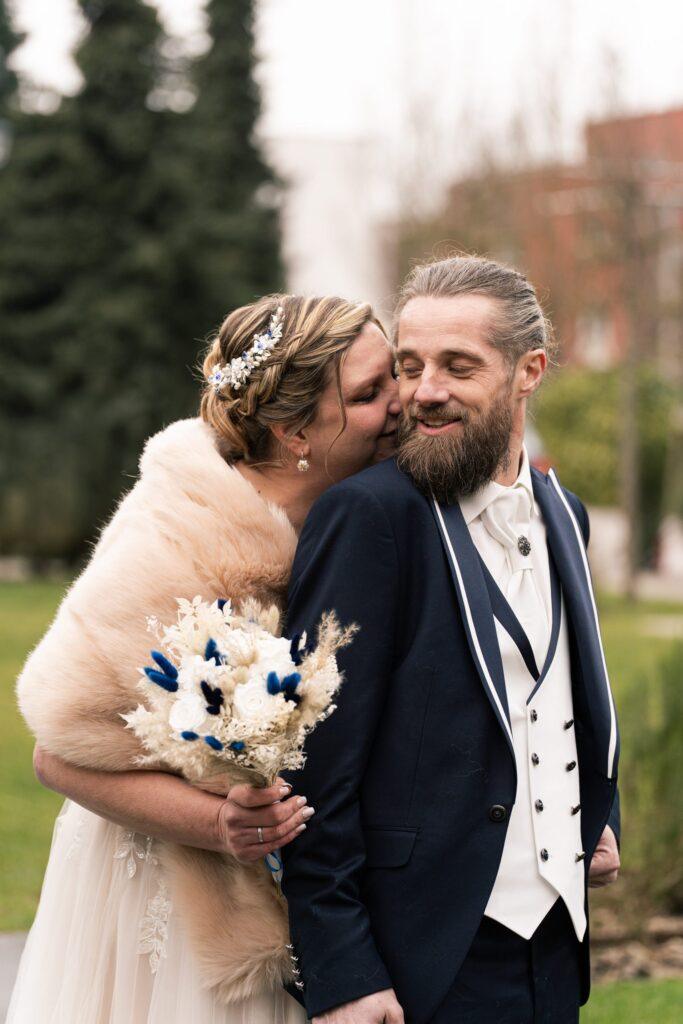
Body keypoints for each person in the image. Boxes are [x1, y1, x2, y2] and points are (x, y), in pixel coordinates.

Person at [9, 293, 400, 1024]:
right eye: (369, 393)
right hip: (174, 906)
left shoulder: (352, 518)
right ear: (294, 431)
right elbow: (54, 751)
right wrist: (212, 821)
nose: (401, 404)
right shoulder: (177, 538)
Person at [280, 255, 621, 1024]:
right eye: (409, 364)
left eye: (456, 365)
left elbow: (564, 688)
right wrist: (342, 971)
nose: (423, 390)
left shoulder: (564, 511)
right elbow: (314, 767)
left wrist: (594, 811)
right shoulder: (369, 516)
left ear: (527, 370)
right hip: (422, 956)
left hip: (555, 946)